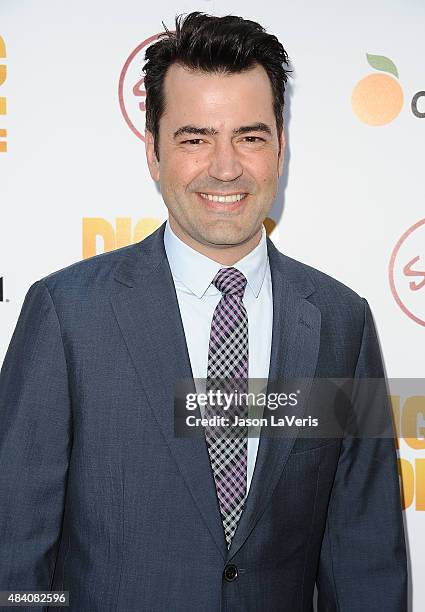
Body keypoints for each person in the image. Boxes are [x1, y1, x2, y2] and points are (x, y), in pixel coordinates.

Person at [0, 11, 407, 612]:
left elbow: (365, 557)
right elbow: (15, 559)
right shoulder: (68, 316)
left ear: (280, 147)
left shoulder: (340, 322)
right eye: (194, 138)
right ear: (154, 152)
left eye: (249, 136)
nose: (224, 167)